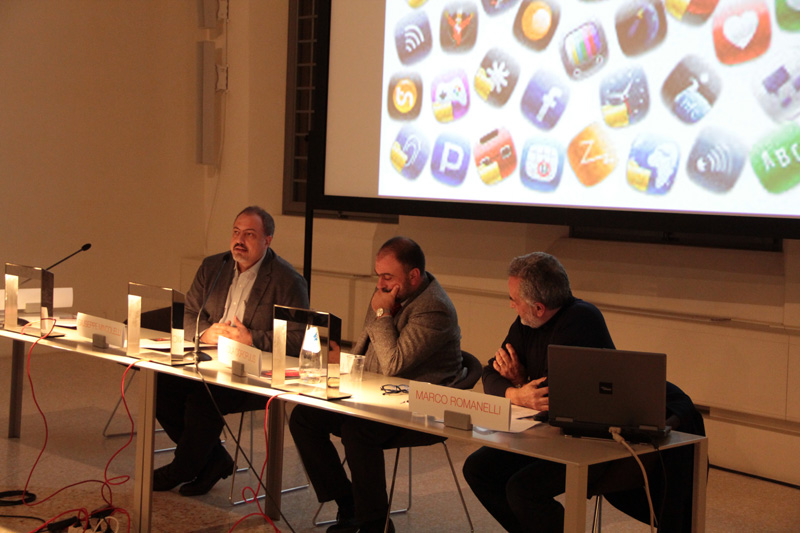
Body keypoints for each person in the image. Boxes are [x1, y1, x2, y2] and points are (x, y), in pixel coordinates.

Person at [462, 252, 705, 532]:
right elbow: (491, 374)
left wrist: (521, 381)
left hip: (596, 443)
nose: (511, 306)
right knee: (478, 469)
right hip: (548, 435)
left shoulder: (581, 320)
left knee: (522, 491)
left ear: (539, 308)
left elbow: (553, 397)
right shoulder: (526, 323)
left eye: (514, 300)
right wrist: (517, 393)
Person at [289, 237, 463, 533]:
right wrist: (342, 366)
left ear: (413, 275)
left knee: (358, 430)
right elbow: (368, 349)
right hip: (377, 394)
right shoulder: (387, 292)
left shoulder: (434, 309)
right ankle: (349, 506)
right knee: (304, 417)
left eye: (387, 276)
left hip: (420, 406)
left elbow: (393, 364)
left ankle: (375, 525)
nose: (380, 284)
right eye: (378, 275)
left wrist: (382, 313)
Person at [154, 206, 309, 496]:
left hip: (254, 373)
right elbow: (187, 313)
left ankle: (183, 467)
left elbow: (297, 341)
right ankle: (214, 460)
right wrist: (204, 332)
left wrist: (251, 338)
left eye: (249, 234)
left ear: (267, 240)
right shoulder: (213, 266)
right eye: (236, 232)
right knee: (161, 383)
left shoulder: (287, 280)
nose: (239, 240)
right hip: (210, 359)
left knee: (204, 396)